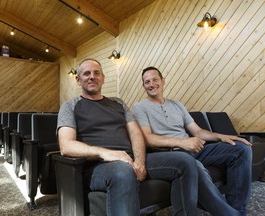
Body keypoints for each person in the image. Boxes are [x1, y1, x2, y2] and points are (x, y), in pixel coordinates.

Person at [57, 58, 240, 216]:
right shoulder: (70, 106)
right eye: (86, 73)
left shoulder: (118, 103)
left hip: (129, 158)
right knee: (122, 170)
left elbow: (136, 134)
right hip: (97, 166)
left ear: (103, 78)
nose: (92, 77)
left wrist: (140, 162)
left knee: (185, 161)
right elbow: (66, 146)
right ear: (78, 79)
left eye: (96, 73)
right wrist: (106, 154)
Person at [132, 66, 253, 216]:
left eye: (155, 80)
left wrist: (221, 136)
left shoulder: (177, 104)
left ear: (163, 81)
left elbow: (197, 131)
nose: (151, 84)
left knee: (241, 149)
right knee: (194, 166)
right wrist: (182, 142)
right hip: (171, 154)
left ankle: (238, 210)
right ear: (143, 86)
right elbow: (147, 139)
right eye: (147, 82)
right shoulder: (139, 108)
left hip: (193, 148)